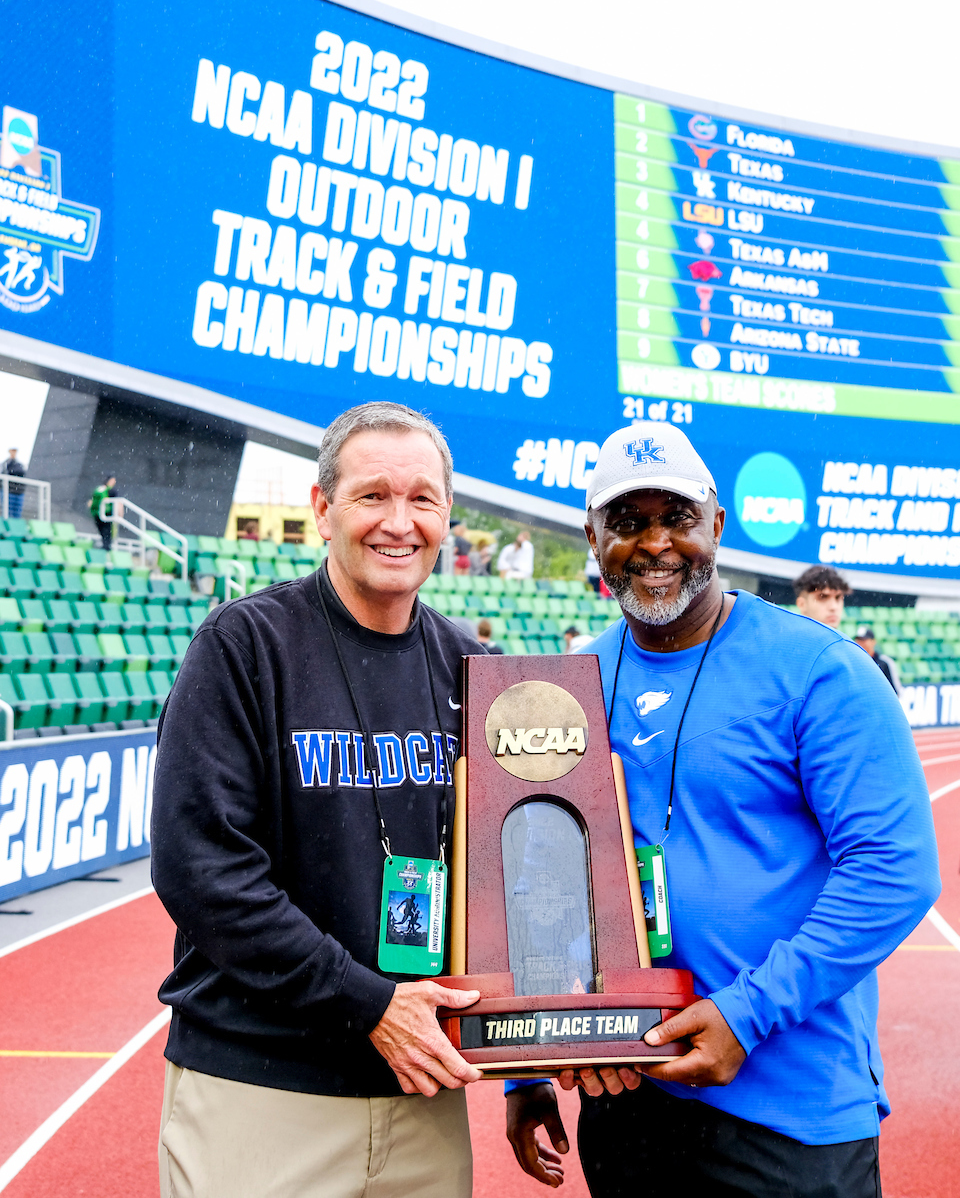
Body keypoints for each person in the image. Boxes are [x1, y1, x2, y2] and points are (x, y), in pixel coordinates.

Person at [506, 422, 939, 1197]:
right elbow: (543, 868)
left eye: (677, 517)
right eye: (628, 522)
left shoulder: (821, 671)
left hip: (789, 1112)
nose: (656, 544)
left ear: (717, 525)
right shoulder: (566, 683)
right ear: (592, 537)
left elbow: (895, 870)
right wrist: (527, 1067)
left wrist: (749, 1013)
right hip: (628, 1092)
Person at [151, 402, 483, 1198]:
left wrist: (526, 1066)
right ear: (323, 507)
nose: (398, 522)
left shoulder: (475, 668)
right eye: (372, 495)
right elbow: (201, 870)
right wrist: (367, 1003)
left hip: (422, 1097)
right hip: (263, 1087)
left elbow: (502, 879)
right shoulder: (243, 646)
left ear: (447, 516)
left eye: (422, 499)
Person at [793, 564, 851, 630]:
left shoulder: (848, 640)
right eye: (822, 597)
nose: (833, 607)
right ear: (802, 604)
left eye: (838, 598)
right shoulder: (787, 639)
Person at [854, 624, 901, 692]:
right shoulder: (853, 662)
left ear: (873, 641)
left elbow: (895, 689)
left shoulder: (884, 662)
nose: (860, 643)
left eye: (864, 640)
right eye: (858, 640)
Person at [88, 474, 120, 551]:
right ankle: (106, 547)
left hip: (98, 514)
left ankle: (105, 546)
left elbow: (91, 501)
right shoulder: (111, 491)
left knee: (104, 532)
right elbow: (118, 503)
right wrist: (120, 514)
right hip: (107, 515)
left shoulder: (99, 489)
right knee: (107, 532)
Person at [1, 448, 26, 519]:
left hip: (18, 492)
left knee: (17, 513)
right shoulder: (6, 463)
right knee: (8, 512)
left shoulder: (19, 464)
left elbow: (21, 472)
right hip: (8, 491)